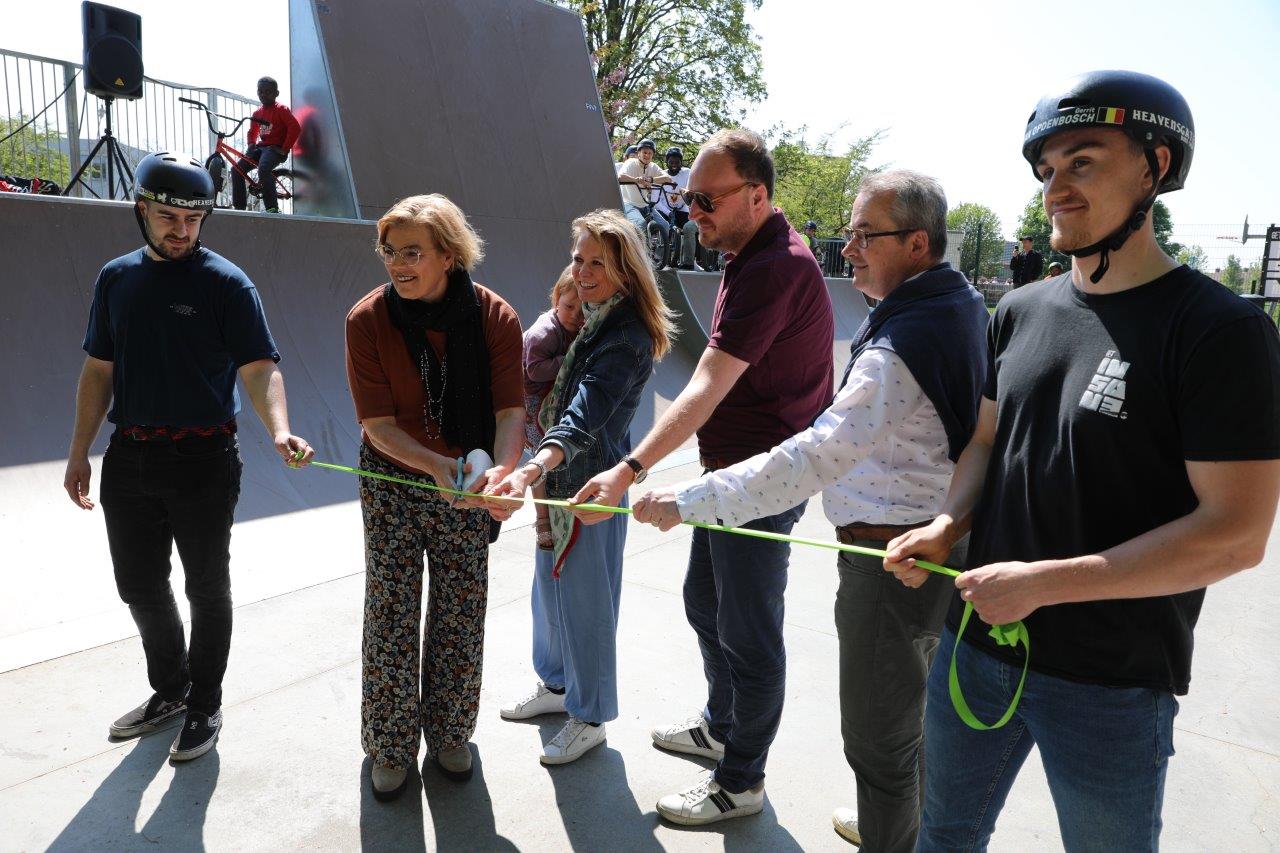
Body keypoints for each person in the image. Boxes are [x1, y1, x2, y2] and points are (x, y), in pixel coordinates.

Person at [885, 70, 1280, 851]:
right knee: (942, 836)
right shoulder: (1021, 310)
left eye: (1083, 162)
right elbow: (987, 443)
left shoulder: (1221, 331)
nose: (1054, 188)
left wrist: (1043, 584)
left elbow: (1236, 534)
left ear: (1155, 167)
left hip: (1113, 683)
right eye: (1046, 170)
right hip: (976, 647)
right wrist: (946, 521)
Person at [635, 170, 989, 850]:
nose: (847, 249)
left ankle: (891, 822)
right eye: (848, 232)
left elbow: (817, 456)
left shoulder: (898, 347)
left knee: (878, 739)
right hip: (923, 544)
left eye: (865, 235)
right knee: (910, 722)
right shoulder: (958, 305)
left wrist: (688, 498)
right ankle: (898, 817)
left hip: (890, 564)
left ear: (918, 242)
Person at [577, 127, 835, 825]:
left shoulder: (776, 265)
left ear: (757, 194)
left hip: (762, 482)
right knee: (704, 601)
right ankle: (723, 724)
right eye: (687, 198)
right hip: (732, 472)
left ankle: (741, 777)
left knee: (749, 631)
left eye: (706, 198)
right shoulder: (746, 255)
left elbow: (704, 388)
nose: (692, 210)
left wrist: (628, 469)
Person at [64, 151, 315, 763]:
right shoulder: (115, 279)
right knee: (139, 585)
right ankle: (171, 689)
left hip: (204, 459)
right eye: (169, 217)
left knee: (207, 587)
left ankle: (205, 703)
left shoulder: (226, 283)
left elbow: (260, 368)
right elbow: (99, 371)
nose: (182, 231)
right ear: (141, 210)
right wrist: (79, 453)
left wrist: (279, 429)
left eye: (194, 220)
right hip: (130, 458)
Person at [344, 193, 525, 800]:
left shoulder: (495, 318)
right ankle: (390, 744)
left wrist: (501, 476)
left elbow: (509, 411)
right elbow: (379, 426)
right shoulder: (366, 320)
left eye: (413, 252)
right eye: (389, 252)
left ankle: (450, 734)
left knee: (460, 608)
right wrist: (437, 468)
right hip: (397, 476)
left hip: (468, 484)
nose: (398, 263)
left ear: (448, 254)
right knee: (392, 609)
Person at [490, 208, 675, 766]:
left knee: (587, 604)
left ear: (626, 269)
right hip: (559, 484)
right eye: (579, 258)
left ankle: (590, 714)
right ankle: (556, 686)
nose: (586, 271)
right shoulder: (591, 318)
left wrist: (529, 467)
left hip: (592, 488)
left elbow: (583, 415)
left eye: (600, 262)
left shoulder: (625, 335)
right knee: (549, 592)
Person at [522, 265, 584, 550]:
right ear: (556, 298)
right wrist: (570, 360)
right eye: (569, 306)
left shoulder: (572, 327)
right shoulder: (544, 333)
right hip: (529, 401)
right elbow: (534, 371)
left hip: (548, 397)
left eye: (583, 310)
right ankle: (542, 518)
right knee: (539, 459)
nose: (575, 316)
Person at [230, 76, 300, 213]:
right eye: (260, 91)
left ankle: (272, 208)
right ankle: (239, 208)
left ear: (276, 94)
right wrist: (251, 146)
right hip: (261, 149)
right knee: (236, 170)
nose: (263, 95)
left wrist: (284, 149)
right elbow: (252, 132)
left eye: (268, 92)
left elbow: (295, 128)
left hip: (275, 150)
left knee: (264, 168)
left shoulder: (281, 110)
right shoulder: (258, 113)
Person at [656, 146, 701, 270]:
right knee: (662, 225)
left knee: (689, 228)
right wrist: (668, 212)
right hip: (665, 210)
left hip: (684, 210)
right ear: (667, 162)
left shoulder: (687, 173)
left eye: (677, 162)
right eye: (671, 162)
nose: (674, 164)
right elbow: (656, 200)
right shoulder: (660, 175)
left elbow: (693, 189)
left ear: (681, 162)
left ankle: (689, 262)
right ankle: (660, 258)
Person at [618, 138, 670, 244]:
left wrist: (651, 180)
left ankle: (660, 257)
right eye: (644, 152)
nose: (647, 155)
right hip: (629, 204)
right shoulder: (631, 162)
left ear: (652, 155)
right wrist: (636, 180)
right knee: (640, 224)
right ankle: (640, 255)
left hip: (645, 205)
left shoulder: (653, 166)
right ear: (638, 153)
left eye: (650, 153)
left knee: (665, 225)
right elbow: (620, 177)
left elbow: (668, 178)